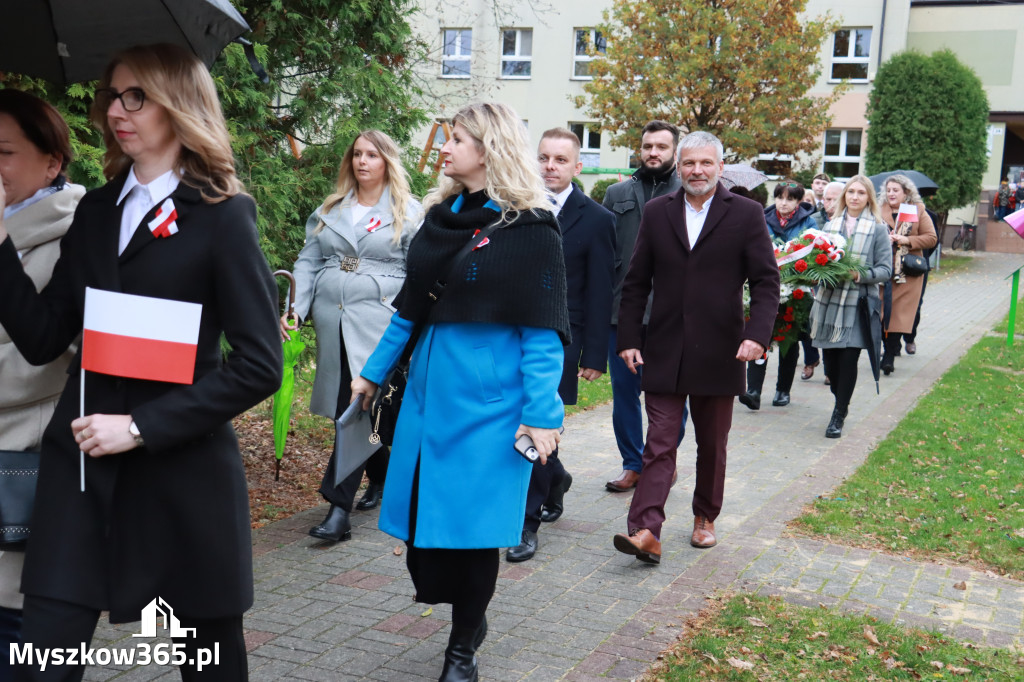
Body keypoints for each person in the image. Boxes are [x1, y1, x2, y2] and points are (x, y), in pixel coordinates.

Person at [0, 45, 282, 681]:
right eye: (113, 96)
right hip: (80, 471)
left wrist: (140, 427)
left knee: (208, 665)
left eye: (137, 96)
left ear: (178, 105)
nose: (117, 111)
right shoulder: (94, 212)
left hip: (178, 476)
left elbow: (260, 365)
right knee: (41, 660)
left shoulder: (223, 215)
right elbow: (44, 337)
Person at [350, 102, 567, 682]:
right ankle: (467, 618)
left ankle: (462, 648)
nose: (444, 149)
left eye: (457, 140)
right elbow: (409, 309)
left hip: (490, 413)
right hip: (424, 401)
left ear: (489, 147)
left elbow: (543, 334)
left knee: (474, 537)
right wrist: (372, 372)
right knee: (426, 538)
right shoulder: (439, 215)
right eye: (447, 139)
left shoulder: (531, 227)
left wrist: (542, 415)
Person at [613, 131, 779, 562]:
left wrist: (756, 335)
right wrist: (629, 338)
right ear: (679, 167)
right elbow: (635, 282)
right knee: (660, 442)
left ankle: (705, 517)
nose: (697, 171)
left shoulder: (745, 213)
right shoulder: (657, 211)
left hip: (722, 349)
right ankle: (645, 530)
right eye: (689, 163)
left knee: (712, 443)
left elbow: (765, 281)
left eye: (706, 163)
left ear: (720, 167)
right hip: (664, 347)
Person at [282, 131, 422, 543]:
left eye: (372, 155)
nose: (363, 161)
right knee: (366, 408)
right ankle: (377, 476)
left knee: (359, 407)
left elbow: (419, 273)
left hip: (380, 322)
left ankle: (338, 507)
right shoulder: (331, 209)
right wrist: (295, 309)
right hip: (333, 320)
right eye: (357, 154)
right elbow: (308, 262)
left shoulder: (408, 212)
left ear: (387, 162)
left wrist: (407, 321)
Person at [0, 89, 84, 679]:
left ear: (51, 162)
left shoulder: (74, 238)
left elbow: (41, 362)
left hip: (22, 483)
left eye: (2, 152)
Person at [506, 128, 615, 563]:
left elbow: (601, 290)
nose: (550, 167)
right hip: (513, 332)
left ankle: (526, 525)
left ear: (577, 167)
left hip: (560, 337)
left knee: (537, 421)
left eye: (560, 160)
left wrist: (594, 354)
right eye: (544, 158)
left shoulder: (597, 219)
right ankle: (557, 478)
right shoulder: (514, 208)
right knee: (527, 422)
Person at [601, 120, 687, 493]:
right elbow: (603, 252)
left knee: (671, 395)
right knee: (624, 394)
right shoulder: (616, 192)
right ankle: (633, 463)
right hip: (622, 312)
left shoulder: (689, 193)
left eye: (661, 147)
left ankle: (661, 459)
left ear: (675, 152)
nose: (653, 152)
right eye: (648, 146)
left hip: (674, 313)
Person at [809, 175, 892, 439]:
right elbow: (817, 260)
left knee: (848, 361)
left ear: (869, 198)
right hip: (829, 304)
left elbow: (885, 270)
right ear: (845, 196)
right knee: (831, 367)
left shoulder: (878, 228)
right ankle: (840, 397)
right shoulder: (830, 225)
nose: (855, 197)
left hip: (858, 306)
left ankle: (839, 413)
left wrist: (858, 275)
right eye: (851, 192)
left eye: (861, 193)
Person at [739, 179, 817, 410]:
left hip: (794, 289)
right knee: (757, 333)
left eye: (790, 199)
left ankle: (783, 390)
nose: (783, 203)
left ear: (798, 201)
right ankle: (753, 390)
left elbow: (811, 253)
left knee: (788, 338)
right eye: (780, 197)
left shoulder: (809, 222)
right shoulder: (762, 217)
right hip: (762, 286)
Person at [879, 175, 937, 375]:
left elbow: (931, 238)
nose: (891, 194)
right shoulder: (878, 210)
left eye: (896, 190)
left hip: (907, 271)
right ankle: (887, 347)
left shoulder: (916, 210)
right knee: (880, 313)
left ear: (906, 192)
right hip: (882, 268)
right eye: (889, 190)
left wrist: (906, 239)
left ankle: (888, 357)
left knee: (898, 315)